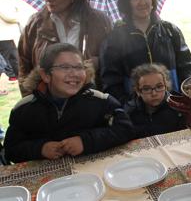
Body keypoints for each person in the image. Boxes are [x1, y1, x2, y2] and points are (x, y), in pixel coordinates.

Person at [3, 43, 134, 163]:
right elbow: (11, 151)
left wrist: (86, 141)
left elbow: (125, 129)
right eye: (65, 67)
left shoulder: (101, 101)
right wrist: (40, 149)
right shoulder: (24, 109)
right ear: (45, 75)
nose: (74, 74)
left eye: (79, 67)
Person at [17, 0, 112, 96]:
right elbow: (24, 65)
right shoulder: (35, 24)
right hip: (47, 101)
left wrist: (99, 61)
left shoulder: (98, 21)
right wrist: (30, 98)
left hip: (90, 97)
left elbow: (114, 58)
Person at [100, 0, 191, 104]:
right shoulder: (114, 39)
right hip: (136, 114)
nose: (142, 2)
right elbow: (111, 81)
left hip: (173, 108)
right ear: (126, 2)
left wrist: (180, 99)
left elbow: (186, 69)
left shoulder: (171, 31)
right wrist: (129, 106)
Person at [124, 63, 186, 139]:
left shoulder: (179, 108)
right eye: (146, 89)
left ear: (166, 86)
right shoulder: (129, 113)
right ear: (138, 91)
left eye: (159, 86)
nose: (154, 93)